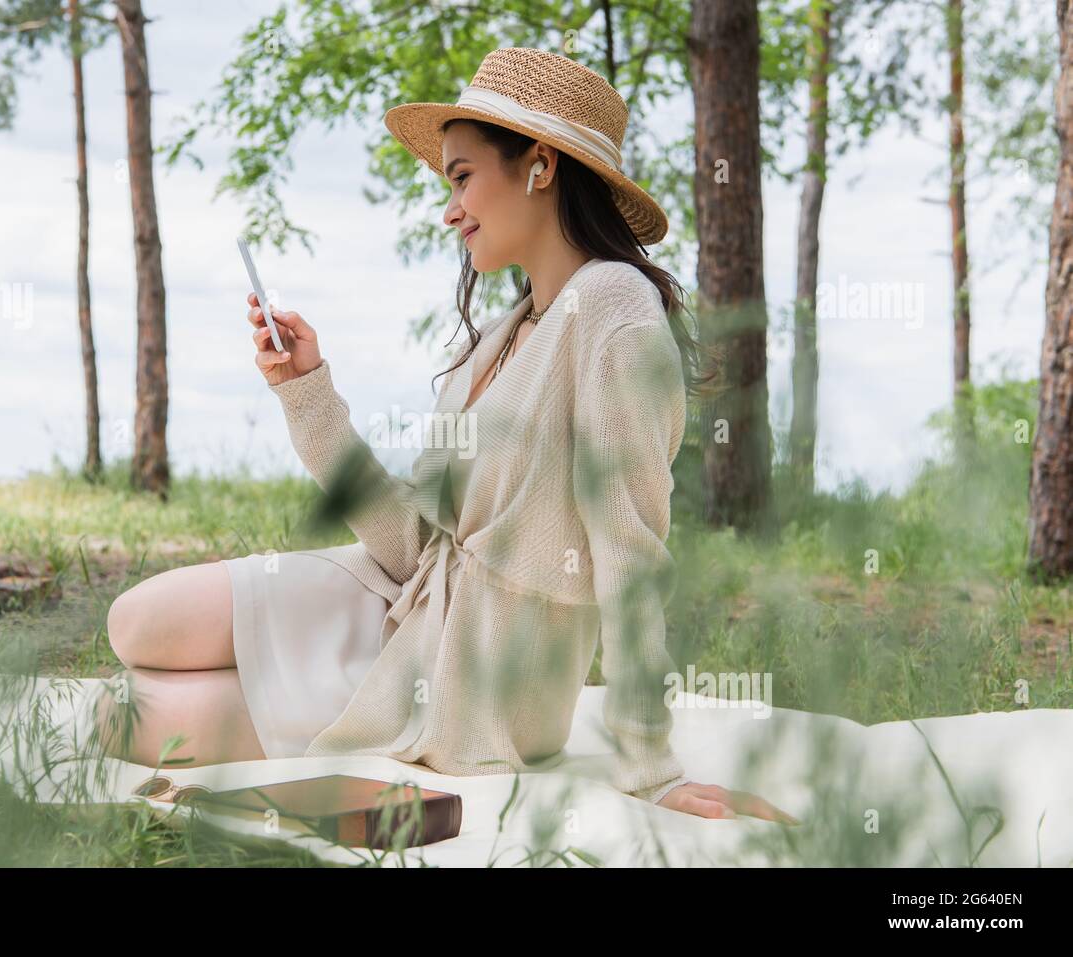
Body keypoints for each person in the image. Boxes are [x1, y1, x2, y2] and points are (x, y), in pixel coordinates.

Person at [101, 47, 797, 825]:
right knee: (132, 625)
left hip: (475, 686)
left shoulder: (613, 308)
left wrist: (650, 767)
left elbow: (631, 552)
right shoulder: (501, 335)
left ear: (539, 165)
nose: (449, 208)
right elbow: (413, 545)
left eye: (462, 176)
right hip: (396, 605)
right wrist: (307, 389)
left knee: (121, 720)